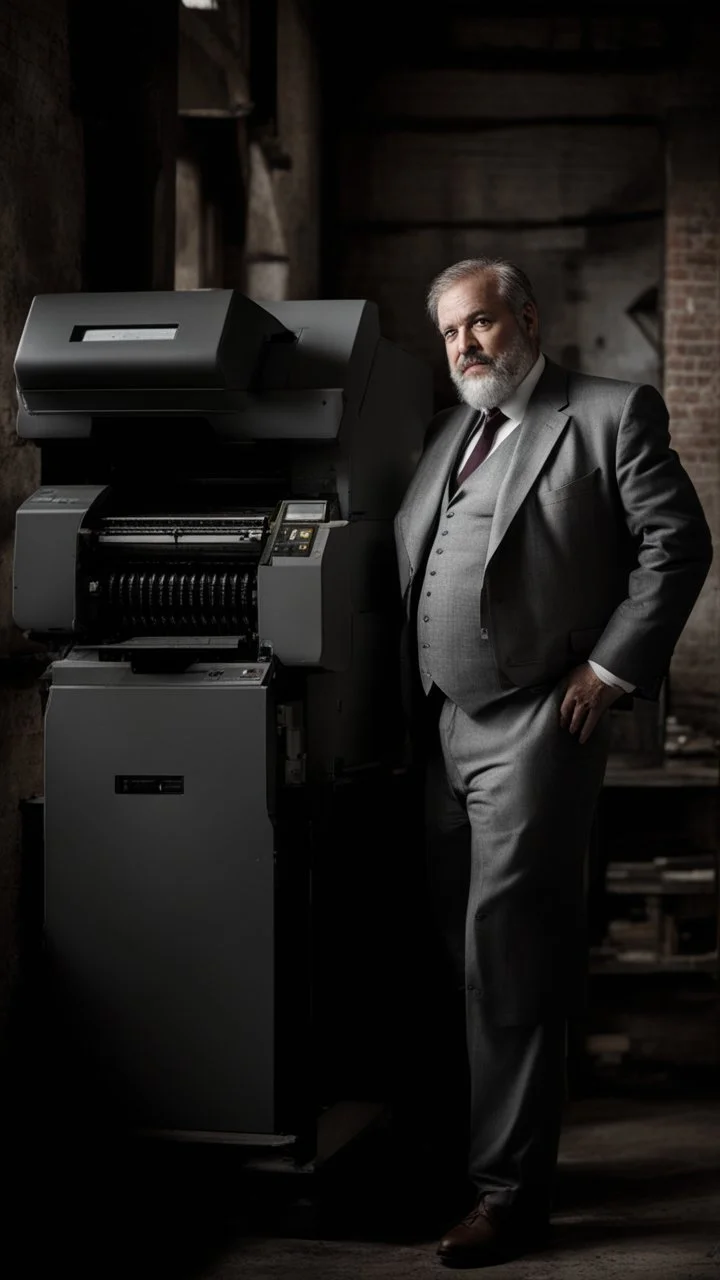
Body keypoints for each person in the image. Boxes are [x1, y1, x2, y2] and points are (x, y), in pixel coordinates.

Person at [393, 256, 713, 1267]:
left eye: (480, 323)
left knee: (513, 960)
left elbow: (678, 544)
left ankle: (510, 1194)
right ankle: (476, 1158)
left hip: (537, 721)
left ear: (525, 318)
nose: (464, 345)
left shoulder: (612, 412)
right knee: (457, 958)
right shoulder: (450, 433)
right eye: (450, 332)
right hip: (439, 726)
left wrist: (609, 671)